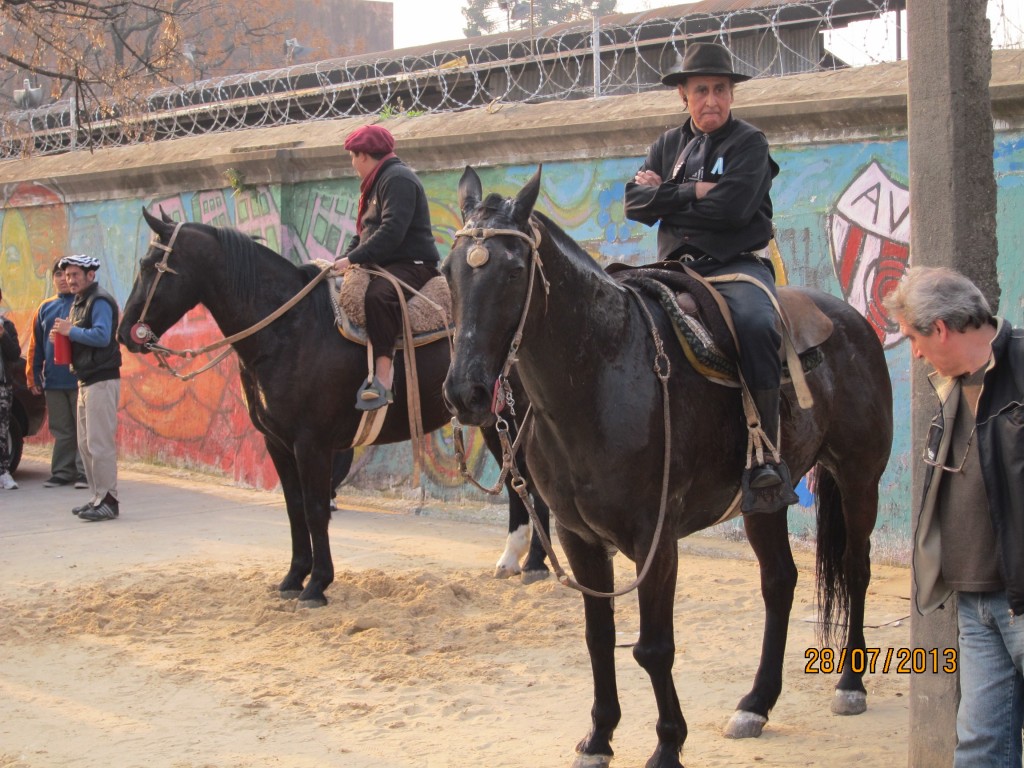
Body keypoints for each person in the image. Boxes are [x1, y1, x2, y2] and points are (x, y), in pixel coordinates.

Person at [624, 41, 794, 512]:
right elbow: (633, 204)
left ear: (732, 95)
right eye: (702, 90)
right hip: (675, 268)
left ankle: (766, 457)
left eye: (721, 89)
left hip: (736, 266)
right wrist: (698, 191)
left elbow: (735, 208)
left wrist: (671, 198)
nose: (712, 100)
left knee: (759, 326)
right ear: (683, 94)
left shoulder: (749, 144)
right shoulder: (666, 145)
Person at [884, 266, 1024, 767]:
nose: (915, 352)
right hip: (975, 601)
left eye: (915, 338)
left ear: (940, 328)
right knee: (980, 748)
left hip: (1019, 598)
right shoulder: (950, 385)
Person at [332, 124, 441, 411]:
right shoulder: (376, 183)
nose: (352, 164)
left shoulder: (397, 180)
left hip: (413, 263)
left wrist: (354, 260)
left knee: (379, 297)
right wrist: (343, 261)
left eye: (353, 157)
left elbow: (392, 232)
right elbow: (365, 233)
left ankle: (383, 378)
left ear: (364, 156)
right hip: (386, 262)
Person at [51, 254, 122, 522]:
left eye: (75, 275)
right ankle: (97, 497)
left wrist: (72, 332)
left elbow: (102, 336)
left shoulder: (99, 300)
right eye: (67, 275)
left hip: (101, 379)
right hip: (85, 379)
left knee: (99, 443)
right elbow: (81, 336)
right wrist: (63, 335)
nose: (70, 280)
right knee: (85, 444)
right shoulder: (80, 302)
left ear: (90, 275)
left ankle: (109, 499)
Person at [27, 259, 86, 489]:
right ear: (53, 278)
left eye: (68, 274)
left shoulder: (85, 303)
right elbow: (36, 346)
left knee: (83, 428)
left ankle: (83, 473)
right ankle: (62, 471)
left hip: (81, 379)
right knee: (61, 428)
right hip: (53, 381)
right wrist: (33, 377)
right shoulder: (45, 307)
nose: (64, 279)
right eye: (59, 275)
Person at [0, 283, 22, 491]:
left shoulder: (6, 326)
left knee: (2, 429)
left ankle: (3, 472)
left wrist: (2, 336)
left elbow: (15, 354)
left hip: (2, 386)